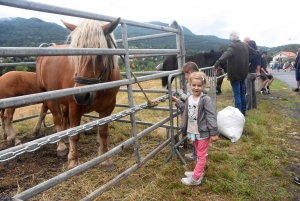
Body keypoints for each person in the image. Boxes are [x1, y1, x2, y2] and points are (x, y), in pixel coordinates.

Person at [172, 71, 218, 186]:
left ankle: (195, 178)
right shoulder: (189, 98)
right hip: (193, 131)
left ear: (204, 86)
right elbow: (186, 110)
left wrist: (213, 132)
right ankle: (198, 171)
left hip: (203, 132)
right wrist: (177, 102)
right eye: (194, 85)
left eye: (199, 85)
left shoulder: (205, 99)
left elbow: (211, 115)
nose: (196, 88)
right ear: (189, 85)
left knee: (201, 155)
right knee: (198, 153)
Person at [213, 31, 256, 116]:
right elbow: (254, 52)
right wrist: (248, 61)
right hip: (244, 72)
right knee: (242, 94)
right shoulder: (245, 45)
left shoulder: (233, 47)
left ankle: (238, 114)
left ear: (231, 39)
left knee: (237, 95)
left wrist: (216, 64)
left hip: (235, 74)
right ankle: (243, 112)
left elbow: (225, 56)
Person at [175, 61, 200, 161]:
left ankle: (197, 154)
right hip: (197, 113)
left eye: (184, 74)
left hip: (195, 114)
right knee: (196, 135)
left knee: (196, 135)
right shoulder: (198, 82)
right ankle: (196, 153)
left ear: (189, 72)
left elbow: (189, 98)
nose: (184, 77)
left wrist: (180, 93)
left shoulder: (194, 83)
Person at [245, 40, 260, 110]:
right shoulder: (258, 53)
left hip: (249, 73)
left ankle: (248, 107)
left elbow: (247, 63)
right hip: (254, 73)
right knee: (253, 91)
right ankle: (254, 106)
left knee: (248, 91)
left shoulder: (251, 54)